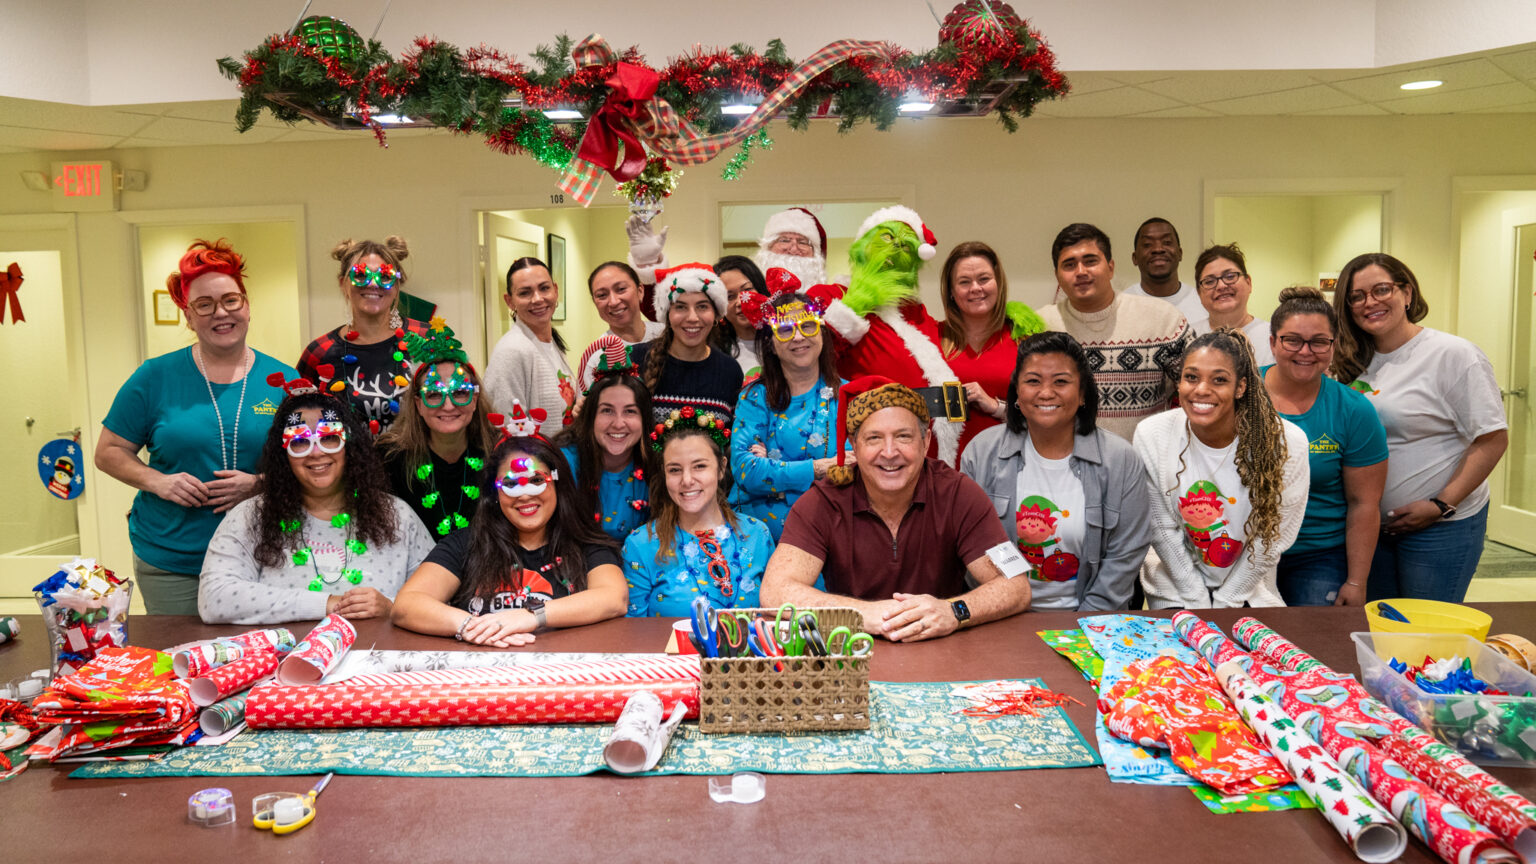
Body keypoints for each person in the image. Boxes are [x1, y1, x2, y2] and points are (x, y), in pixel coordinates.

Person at [96, 238, 295, 614]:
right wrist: (158, 481)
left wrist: (259, 484)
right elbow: (108, 452)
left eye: (230, 300)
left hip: (261, 556)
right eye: (204, 305)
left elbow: (312, 463)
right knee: (180, 664)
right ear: (188, 316)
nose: (220, 313)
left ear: (247, 306)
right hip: (173, 559)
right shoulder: (154, 377)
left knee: (259, 663)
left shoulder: (283, 379)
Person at [761, 378, 1032, 640]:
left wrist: (953, 611)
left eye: (903, 436)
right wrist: (864, 614)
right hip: (856, 651)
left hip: (944, 650)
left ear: (925, 441)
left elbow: (1016, 587)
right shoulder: (825, 501)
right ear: (854, 445)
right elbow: (775, 591)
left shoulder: (958, 493)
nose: (889, 452)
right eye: (874, 438)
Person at [1332, 253, 1508, 603]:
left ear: (1407, 292)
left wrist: (1441, 504)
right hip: (1370, 531)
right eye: (1357, 296)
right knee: (1380, 634)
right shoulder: (1350, 360)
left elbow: (1492, 439)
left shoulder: (1452, 354)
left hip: (1439, 528)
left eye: (1382, 289)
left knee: (1426, 639)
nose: (1370, 302)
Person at [199, 375, 432, 624]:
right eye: (299, 442)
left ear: (349, 446)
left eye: (329, 438)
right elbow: (214, 599)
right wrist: (327, 603)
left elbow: (438, 598)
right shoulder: (251, 517)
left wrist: (392, 607)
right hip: (286, 658)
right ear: (282, 453)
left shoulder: (396, 515)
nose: (317, 452)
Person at [961, 332, 1152, 611]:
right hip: (998, 616)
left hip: (1090, 620)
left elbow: (1126, 553)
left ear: (1083, 393)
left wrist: (1083, 626)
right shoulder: (982, 452)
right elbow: (969, 545)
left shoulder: (1120, 459)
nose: (1046, 392)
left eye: (1061, 381)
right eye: (1033, 381)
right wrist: (1002, 608)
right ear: (1017, 393)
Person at [392, 432, 628, 645]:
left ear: (558, 484)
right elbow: (407, 605)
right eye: (510, 484)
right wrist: (475, 627)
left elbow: (613, 598)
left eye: (536, 481)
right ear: (494, 494)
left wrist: (531, 616)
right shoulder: (467, 543)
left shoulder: (586, 543)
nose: (525, 495)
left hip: (561, 677)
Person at [1134, 330, 1309, 608]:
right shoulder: (1152, 434)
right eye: (1191, 377)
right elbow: (1162, 530)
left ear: (1241, 387)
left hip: (1250, 590)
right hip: (1175, 589)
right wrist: (1198, 602)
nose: (1201, 389)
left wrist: (1226, 604)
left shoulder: (1287, 443)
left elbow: (1270, 541)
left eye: (1219, 380)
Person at [1261, 286, 1387, 606]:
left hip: (1317, 555)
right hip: (1246, 550)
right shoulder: (1240, 392)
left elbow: (1364, 504)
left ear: (1333, 346)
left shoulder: (1353, 409)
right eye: (1292, 340)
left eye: (1319, 341)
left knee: (1316, 645)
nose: (1306, 351)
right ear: (1273, 342)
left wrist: (1356, 582)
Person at [1038, 223, 1192, 443]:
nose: (1081, 272)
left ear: (1110, 267)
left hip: (1144, 464)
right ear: (1057, 275)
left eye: (1090, 261)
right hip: (1067, 468)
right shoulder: (1042, 326)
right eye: (1069, 265)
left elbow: (1197, 390)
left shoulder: (1163, 320)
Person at [624, 421, 774, 616]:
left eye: (699, 466)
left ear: (721, 468)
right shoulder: (641, 545)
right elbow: (634, 636)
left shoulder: (757, 534)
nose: (687, 480)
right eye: (675, 470)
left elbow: (777, 618)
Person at [729, 280, 842, 540]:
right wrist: (819, 469)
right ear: (770, 343)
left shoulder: (847, 395)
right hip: (759, 537)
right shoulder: (754, 398)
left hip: (829, 531)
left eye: (808, 326)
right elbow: (747, 471)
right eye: (786, 330)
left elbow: (853, 470)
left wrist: (774, 470)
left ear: (821, 333)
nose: (799, 337)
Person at [375, 319, 497, 539]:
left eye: (460, 392)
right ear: (418, 404)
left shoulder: (499, 451)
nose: (448, 405)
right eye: (433, 394)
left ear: (475, 398)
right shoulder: (389, 458)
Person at [296, 236, 429, 433]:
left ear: (397, 285)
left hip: (416, 463)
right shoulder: (320, 352)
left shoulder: (425, 338)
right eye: (360, 275)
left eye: (385, 277)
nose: (373, 284)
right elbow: (296, 421)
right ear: (343, 284)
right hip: (349, 463)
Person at [938, 241, 1043, 457]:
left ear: (998, 283)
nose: (976, 288)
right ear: (951, 291)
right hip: (945, 469)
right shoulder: (931, 338)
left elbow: (1044, 410)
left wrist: (995, 406)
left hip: (1009, 463)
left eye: (984, 279)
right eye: (964, 282)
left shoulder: (1023, 338)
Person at [557, 344, 655, 543]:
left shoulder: (656, 467)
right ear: (590, 416)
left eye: (630, 411)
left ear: (644, 420)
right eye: (607, 411)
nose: (618, 424)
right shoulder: (562, 464)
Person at [631, 263, 744, 423]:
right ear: (667, 314)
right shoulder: (635, 359)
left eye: (702, 306)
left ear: (716, 314)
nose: (692, 318)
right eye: (681, 307)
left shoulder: (730, 371)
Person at [483, 256, 575, 434]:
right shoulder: (512, 351)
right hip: (533, 460)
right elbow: (507, 429)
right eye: (525, 293)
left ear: (555, 291)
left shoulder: (552, 343)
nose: (538, 299)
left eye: (544, 288)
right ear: (510, 301)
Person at [574, 261, 663, 391]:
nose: (613, 302)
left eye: (621, 289)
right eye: (602, 295)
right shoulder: (597, 358)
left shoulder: (666, 334)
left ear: (640, 291)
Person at [1191, 243, 1274, 366]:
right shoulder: (1188, 338)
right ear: (1199, 293)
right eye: (1209, 281)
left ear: (1248, 282)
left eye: (1230, 276)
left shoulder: (1273, 337)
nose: (1221, 286)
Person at [1123, 217, 1206, 325]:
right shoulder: (1120, 306)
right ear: (1135, 258)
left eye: (1167, 242)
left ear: (1180, 253)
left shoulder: (1203, 302)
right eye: (1147, 244)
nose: (1158, 249)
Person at [713, 255, 768, 381]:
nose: (740, 302)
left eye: (747, 290)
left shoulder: (785, 339)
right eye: (730, 297)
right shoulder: (715, 352)